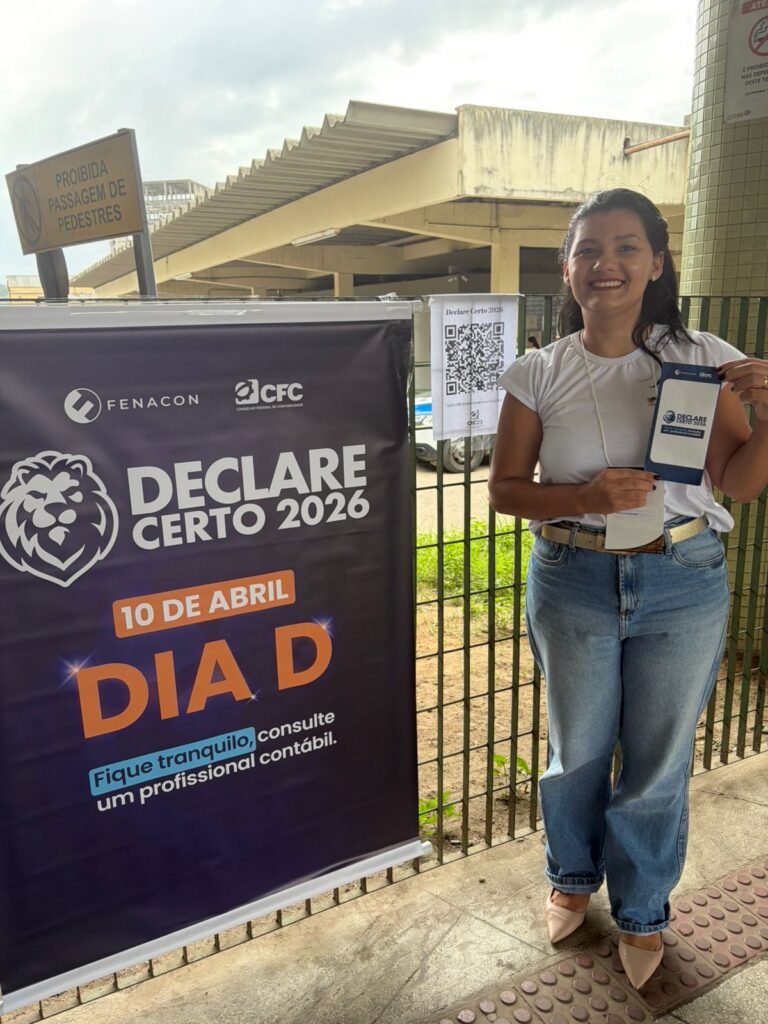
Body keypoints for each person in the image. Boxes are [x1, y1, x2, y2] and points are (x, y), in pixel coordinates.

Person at [488, 188, 768, 989]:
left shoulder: (701, 357)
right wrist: (584, 496)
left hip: (682, 576)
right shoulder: (538, 370)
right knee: (576, 748)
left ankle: (643, 910)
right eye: (587, 250)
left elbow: (739, 482)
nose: (604, 264)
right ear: (566, 268)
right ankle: (571, 878)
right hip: (572, 575)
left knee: (658, 757)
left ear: (656, 263)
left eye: (624, 248)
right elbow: (505, 490)